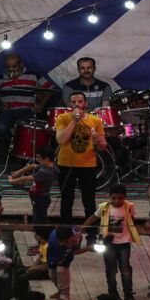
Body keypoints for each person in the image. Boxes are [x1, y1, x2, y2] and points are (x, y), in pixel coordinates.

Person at [80, 184, 140, 300]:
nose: (117, 201)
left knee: (126, 269)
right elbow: (93, 217)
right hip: (109, 243)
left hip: (124, 243)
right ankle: (113, 294)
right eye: (114, 198)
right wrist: (84, 226)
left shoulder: (129, 207)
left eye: (120, 198)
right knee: (111, 270)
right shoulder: (104, 207)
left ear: (125, 197)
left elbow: (132, 220)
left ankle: (128, 294)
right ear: (109, 197)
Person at [55, 91, 106, 221]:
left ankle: (91, 234)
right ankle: (66, 232)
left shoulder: (95, 120)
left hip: (88, 165)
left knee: (89, 199)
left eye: (80, 101)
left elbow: (102, 147)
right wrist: (74, 121)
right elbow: (61, 140)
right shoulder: (62, 118)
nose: (77, 104)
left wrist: (99, 140)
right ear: (69, 104)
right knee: (67, 198)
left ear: (86, 103)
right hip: (66, 164)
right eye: (73, 102)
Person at [0, 54, 56, 148]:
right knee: (0, 128)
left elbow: (51, 89)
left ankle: (20, 149)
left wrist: (41, 104)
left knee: (27, 130)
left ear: (21, 65)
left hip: (27, 110)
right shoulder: (1, 78)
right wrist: (1, 104)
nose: (11, 69)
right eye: (8, 67)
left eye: (14, 66)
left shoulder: (33, 76)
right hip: (8, 110)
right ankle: (12, 146)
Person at [11, 150, 59, 226]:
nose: (37, 160)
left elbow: (26, 178)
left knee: (40, 219)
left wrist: (13, 181)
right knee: (38, 215)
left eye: (39, 158)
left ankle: (42, 232)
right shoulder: (46, 166)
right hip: (38, 196)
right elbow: (33, 166)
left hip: (41, 198)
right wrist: (18, 172)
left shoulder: (46, 172)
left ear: (46, 159)